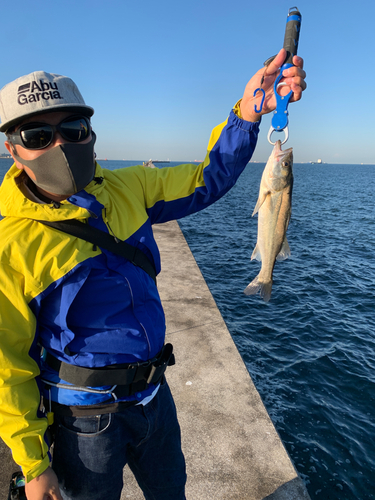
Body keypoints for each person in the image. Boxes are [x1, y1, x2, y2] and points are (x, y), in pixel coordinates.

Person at [0, 49, 306, 500]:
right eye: (38, 134)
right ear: (12, 148)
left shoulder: (130, 188)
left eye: (72, 129)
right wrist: (33, 463)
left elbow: (208, 179)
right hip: (85, 422)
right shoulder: (10, 244)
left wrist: (246, 113)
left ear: (91, 135)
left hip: (155, 400)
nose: (60, 145)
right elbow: (7, 367)